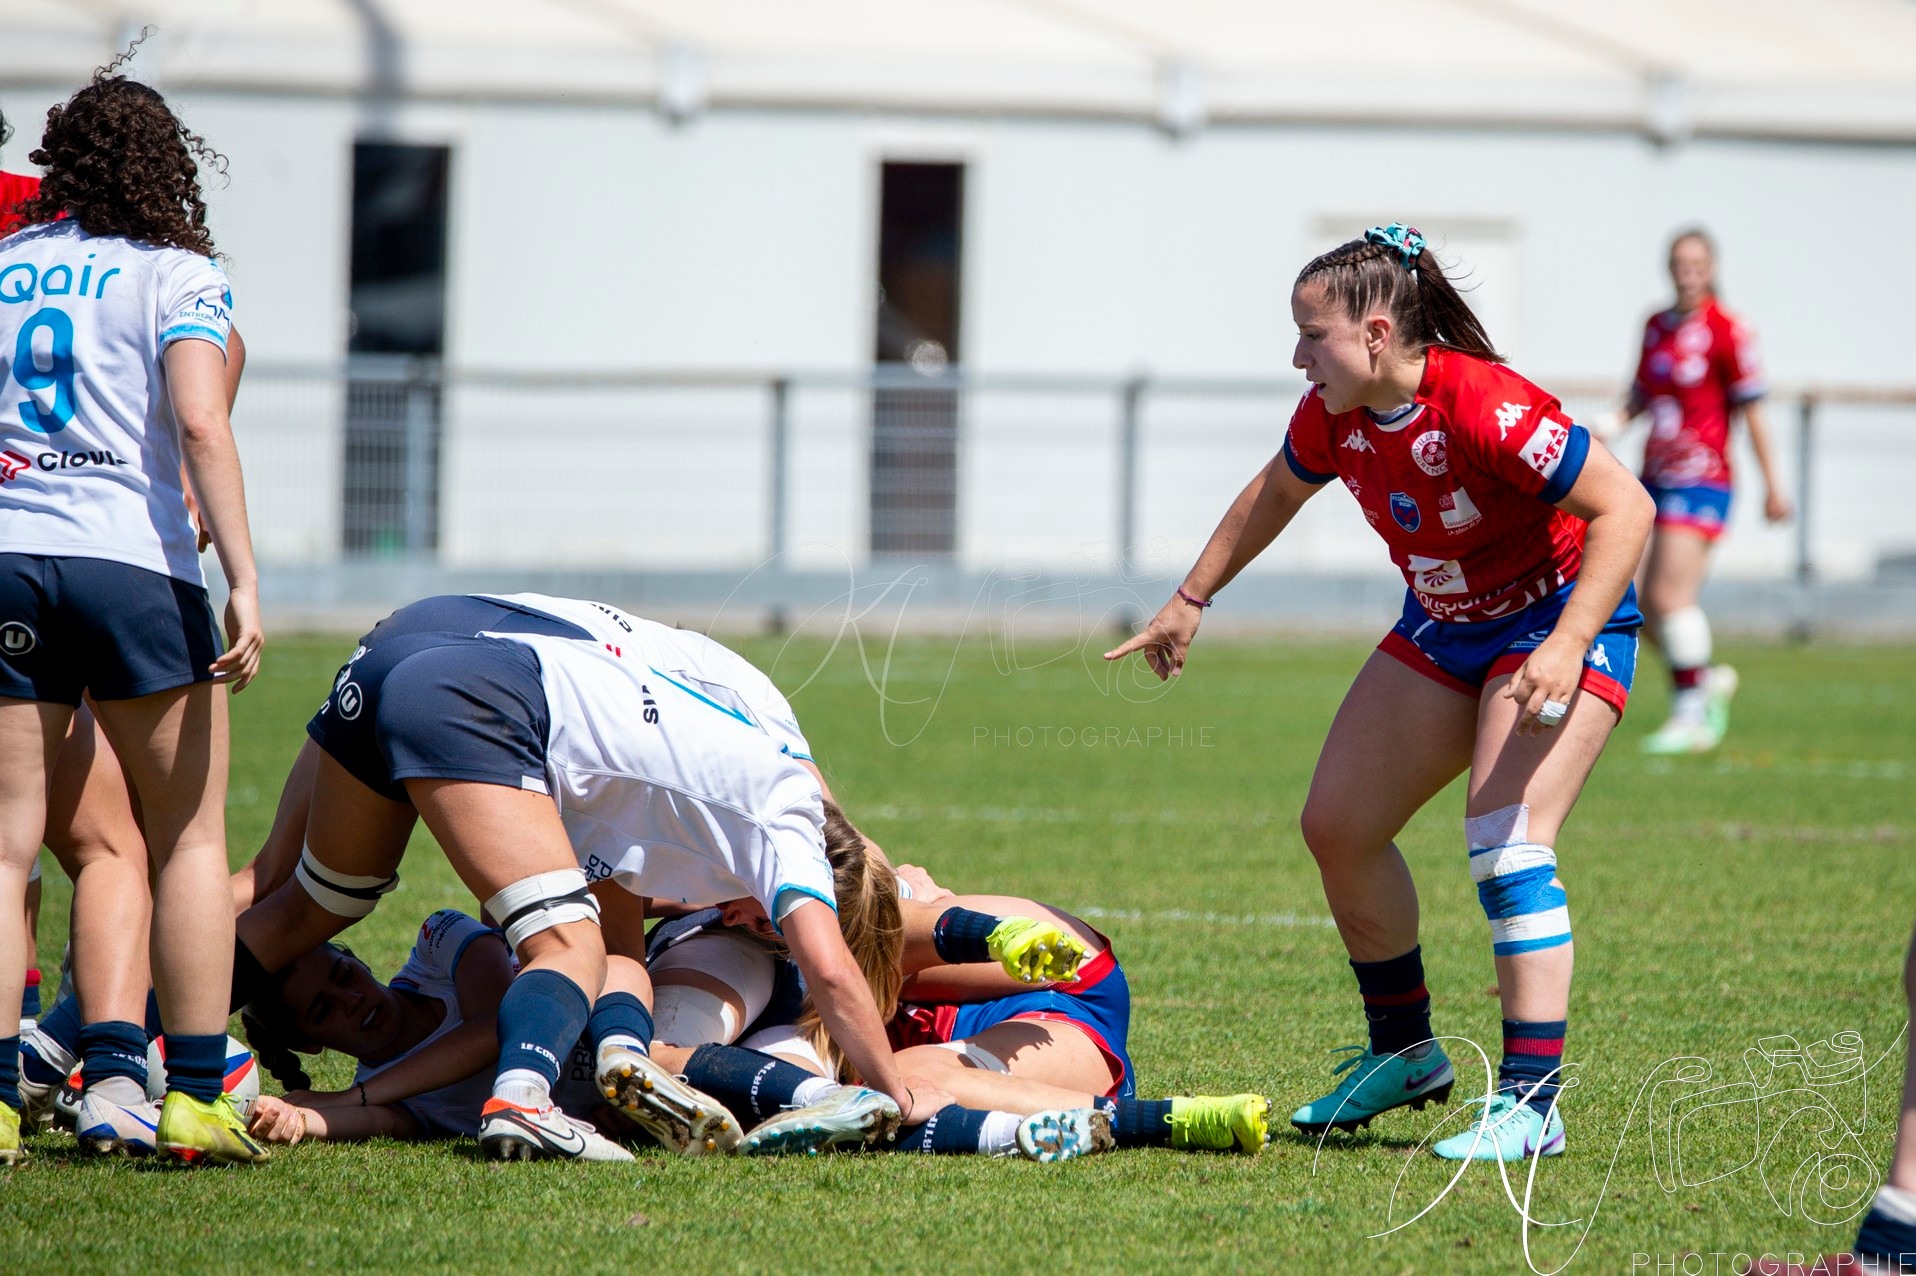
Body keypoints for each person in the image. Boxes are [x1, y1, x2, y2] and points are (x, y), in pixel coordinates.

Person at [1105, 224, 1654, 1162]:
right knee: (1339, 826)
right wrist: (1191, 598)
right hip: (1447, 626)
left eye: (1309, 335)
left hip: (1558, 624)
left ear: (1372, 332)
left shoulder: (1484, 405)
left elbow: (1627, 507)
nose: (1295, 355)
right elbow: (1275, 492)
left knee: (1509, 850)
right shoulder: (1333, 416)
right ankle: (1405, 1052)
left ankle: (1531, 1104)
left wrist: (1568, 643)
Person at [230, 593, 946, 1161]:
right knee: (569, 947)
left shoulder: (682, 790)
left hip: (413, 655)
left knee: (294, 897)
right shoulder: (789, 811)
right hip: (491, 691)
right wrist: (891, 1095)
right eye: (770, 923)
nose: (747, 924)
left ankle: (139, 1046)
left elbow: (566, 909)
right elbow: (831, 967)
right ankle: (525, 1098)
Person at [0, 69, 263, 1167]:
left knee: (5, 846)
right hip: (131, 566)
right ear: (169, 169)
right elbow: (202, 421)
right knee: (188, 833)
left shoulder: (6, 265)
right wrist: (244, 574)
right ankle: (195, 1097)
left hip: (9, 558)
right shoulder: (176, 270)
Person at [1599, 228, 1790, 755]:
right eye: (1680, 263)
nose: (1688, 272)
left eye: (1697, 264)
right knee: (1626, 595)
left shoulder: (1729, 329)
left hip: (1702, 477)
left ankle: (1693, 715)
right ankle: (1703, 681)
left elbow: (1751, 409)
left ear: (1711, 268)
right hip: (1653, 476)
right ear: (1669, 268)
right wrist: (1612, 423)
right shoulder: (1655, 324)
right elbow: (1641, 392)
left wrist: (1774, 485)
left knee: (1668, 596)